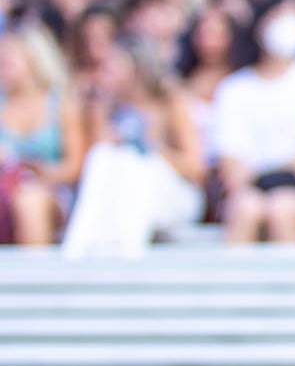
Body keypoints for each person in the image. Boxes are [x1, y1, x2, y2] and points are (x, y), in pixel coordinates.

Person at [211, 2, 295, 243]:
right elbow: (230, 161)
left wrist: (261, 170)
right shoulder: (235, 87)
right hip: (249, 189)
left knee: (282, 209)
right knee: (245, 209)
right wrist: (263, 172)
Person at [61, 41, 205, 258]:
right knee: (105, 156)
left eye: (112, 68)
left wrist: (152, 147)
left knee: (140, 165)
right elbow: (92, 170)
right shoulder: (106, 107)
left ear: (136, 70)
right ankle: (79, 249)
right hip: (122, 195)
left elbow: (196, 169)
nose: (104, 74)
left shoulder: (171, 103)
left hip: (172, 194)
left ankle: (128, 253)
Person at [0, 24, 81, 246]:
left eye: (8, 60)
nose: (2, 66)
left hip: (51, 189)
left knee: (29, 200)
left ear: (34, 60)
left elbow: (74, 167)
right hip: (4, 186)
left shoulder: (61, 104)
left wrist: (40, 171)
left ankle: (33, 277)